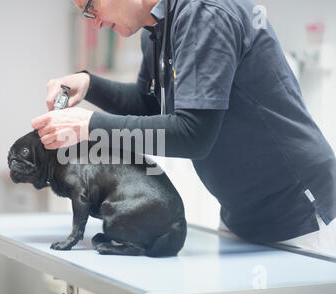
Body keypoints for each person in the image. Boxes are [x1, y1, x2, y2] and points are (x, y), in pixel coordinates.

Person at [31, 0, 336, 257]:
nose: (94, 23)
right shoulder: (157, 30)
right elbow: (149, 106)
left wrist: (90, 125)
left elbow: (193, 134)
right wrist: (90, 85)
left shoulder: (204, 13)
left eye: (90, 6)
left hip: (301, 215)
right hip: (241, 218)